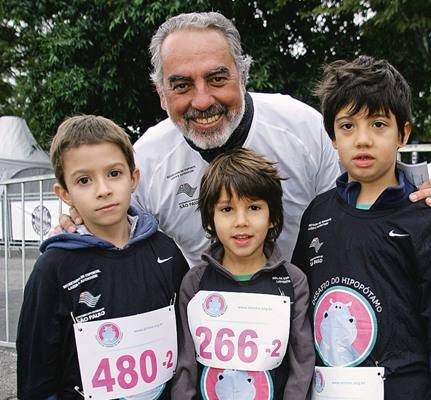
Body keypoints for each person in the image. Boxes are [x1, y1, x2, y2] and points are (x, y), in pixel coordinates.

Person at [60, 11, 431, 267]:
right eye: (182, 85)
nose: (202, 101)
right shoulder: (145, 161)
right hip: (205, 335)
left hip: (305, 315)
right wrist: (75, 227)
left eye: (217, 79)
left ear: (243, 75)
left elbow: (368, 183)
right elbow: (111, 228)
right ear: (160, 94)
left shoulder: (303, 128)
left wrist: (420, 183)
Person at [16, 115, 189, 399]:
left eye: (114, 173)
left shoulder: (167, 251)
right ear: (65, 193)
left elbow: (185, 344)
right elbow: (37, 375)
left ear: (134, 179)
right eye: (84, 180)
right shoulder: (53, 268)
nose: (103, 190)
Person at [291, 56, 431, 399]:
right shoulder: (317, 213)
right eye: (348, 126)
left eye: (379, 124)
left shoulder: (422, 216)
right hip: (330, 388)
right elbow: (299, 300)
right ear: (333, 138)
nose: (363, 139)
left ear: (404, 133)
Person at [171, 148, 315, 399]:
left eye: (254, 208)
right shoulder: (195, 283)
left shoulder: (293, 281)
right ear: (209, 220)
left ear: (272, 217)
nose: (241, 221)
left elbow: (301, 364)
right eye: (227, 209)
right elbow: (186, 366)